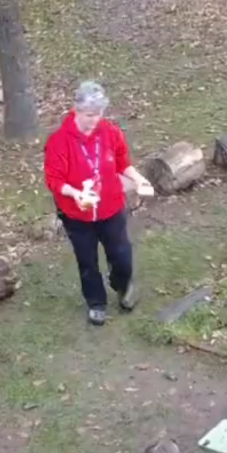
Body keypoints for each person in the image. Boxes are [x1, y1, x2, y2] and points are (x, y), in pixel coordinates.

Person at [44, 81, 155, 327]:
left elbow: (122, 162)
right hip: (76, 214)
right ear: (76, 110)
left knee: (122, 255)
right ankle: (96, 303)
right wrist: (75, 194)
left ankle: (122, 285)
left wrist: (138, 179)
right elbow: (54, 180)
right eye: (89, 115)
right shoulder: (59, 141)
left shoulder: (111, 132)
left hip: (111, 208)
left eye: (99, 114)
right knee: (87, 260)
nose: (94, 120)